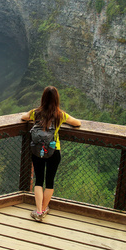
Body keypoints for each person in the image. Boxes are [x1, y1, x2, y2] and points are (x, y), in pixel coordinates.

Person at [21, 86, 81, 222]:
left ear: (43, 98)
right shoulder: (60, 115)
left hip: (37, 151)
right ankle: (43, 210)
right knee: (49, 182)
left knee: (38, 181)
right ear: (57, 100)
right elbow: (77, 123)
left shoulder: (35, 113)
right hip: (54, 151)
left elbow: (23, 117)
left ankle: (38, 211)